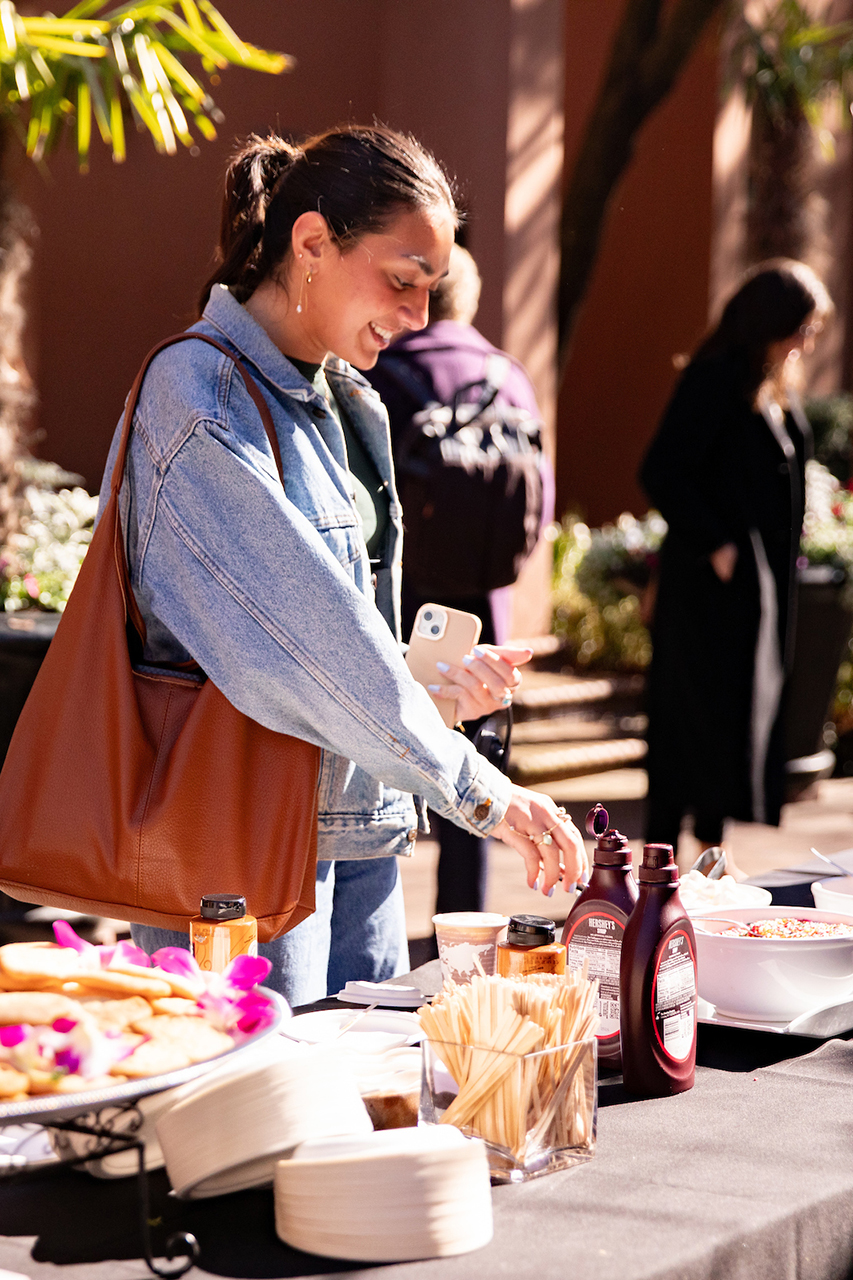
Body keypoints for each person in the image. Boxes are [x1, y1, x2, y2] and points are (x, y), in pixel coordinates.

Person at [97, 125, 587, 1006]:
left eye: (432, 288)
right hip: (237, 853)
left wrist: (429, 691)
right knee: (265, 1128)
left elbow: (325, 642)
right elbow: (298, 644)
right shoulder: (199, 400)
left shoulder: (346, 401)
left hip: (358, 830)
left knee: (371, 1114)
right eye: (402, 281)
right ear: (312, 243)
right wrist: (480, 790)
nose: (419, 318)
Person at [365, 244, 553, 914]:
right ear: (468, 301)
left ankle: (379, 919)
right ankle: (462, 922)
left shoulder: (379, 370)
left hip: (398, 598)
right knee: (477, 758)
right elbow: (540, 498)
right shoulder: (506, 375)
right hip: (481, 601)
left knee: (380, 762)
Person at [639, 259, 832, 866]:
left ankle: (709, 866)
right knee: (687, 733)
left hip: (745, 593)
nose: (807, 341)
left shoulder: (762, 382)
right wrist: (717, 544)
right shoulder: (715, 379)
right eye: (803, 326)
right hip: (707, 595)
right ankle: (662, 877)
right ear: (773, 322)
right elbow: (662, 471)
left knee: (725, 727)